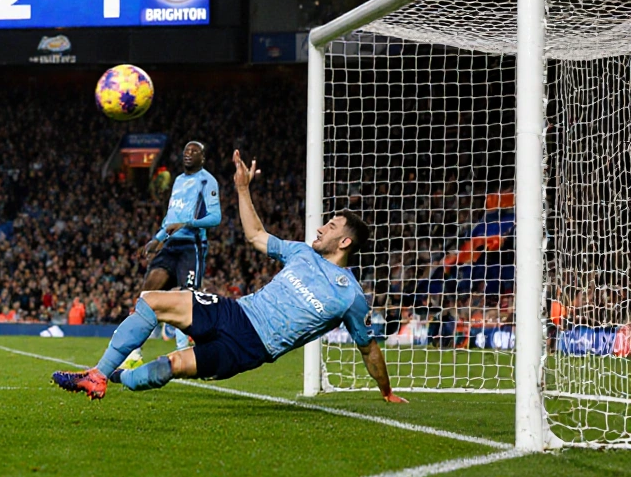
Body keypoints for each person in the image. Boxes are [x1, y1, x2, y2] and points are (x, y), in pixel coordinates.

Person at [53, 150, 407, 404]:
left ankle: (117, 378)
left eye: (329, 227)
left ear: (344, 242)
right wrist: (242, 189)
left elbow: (368, 348)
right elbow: (256, 236)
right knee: (152, 300)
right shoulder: (300, 251)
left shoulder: (349, 295)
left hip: (249, 347)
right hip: (234, 312)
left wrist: (386, 391)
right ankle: (97, 375)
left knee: (171, 366)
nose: (320, 227)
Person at [124, 141, 221, 367]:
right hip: (170, 245)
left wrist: (188, 223)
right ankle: (134, 353)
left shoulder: (207, 181)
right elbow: (170, 219)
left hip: (191, 246)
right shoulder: (178, 180)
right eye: (186, 151)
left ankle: (184, 352)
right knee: (147, 293)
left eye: (194, 152)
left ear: (202, 158)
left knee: (186, 299)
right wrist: (156, 239)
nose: (189, 155)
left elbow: (216, 218)